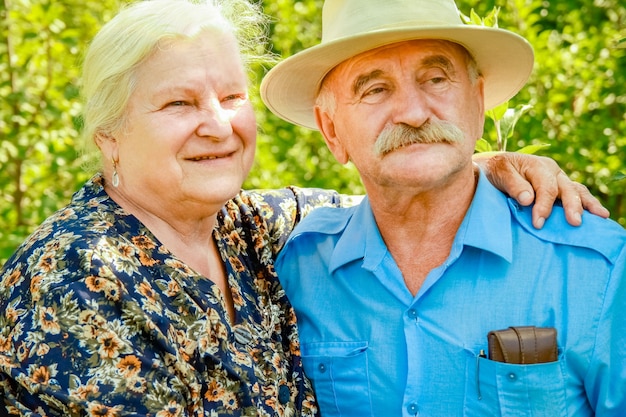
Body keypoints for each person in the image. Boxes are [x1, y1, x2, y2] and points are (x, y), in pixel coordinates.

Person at [0, 0, 608, 416]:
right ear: (108, 134)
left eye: (231, 96)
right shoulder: (70, 278)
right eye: (179, 103)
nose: (217, 124)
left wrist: (479, 162)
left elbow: (397, 188)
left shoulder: (254, 233)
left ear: (476, 102)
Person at [263, 0, 626, 416]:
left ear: (478, 102)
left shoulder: (596, 265)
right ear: (331, 131)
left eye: (436, 79)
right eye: (375, 89)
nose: (414, 114)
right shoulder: (298, 266)